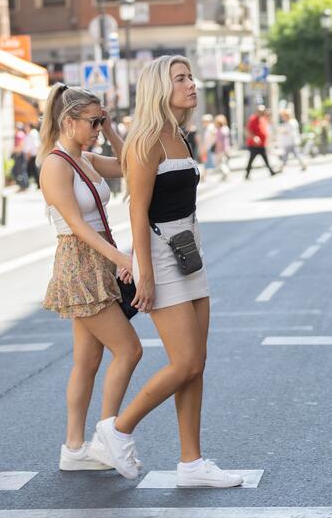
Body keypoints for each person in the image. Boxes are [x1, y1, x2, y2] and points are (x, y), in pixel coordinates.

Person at [96, 55, 243, 488]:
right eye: (181, 78)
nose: (191, 84)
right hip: (160, 258)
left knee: (197, 365)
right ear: (161, 88)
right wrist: (145, 273)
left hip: (189, 253)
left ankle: (191, 463)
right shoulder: (146, 141)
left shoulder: (178, 135)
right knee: (186, 361)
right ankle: (119, 427)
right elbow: (137, 212)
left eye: (190, 76)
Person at [37, 84, 143, 472]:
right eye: (94, 122)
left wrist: (113, 129)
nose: (99, 128)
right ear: (68, 122)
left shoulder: (86, 158)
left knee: (87, 360)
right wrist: (121, 258)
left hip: (99, 257)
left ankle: (75, 448)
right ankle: (107, 437)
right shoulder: (55, 164)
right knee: (129, 350)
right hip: (81, 262)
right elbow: (78, 225)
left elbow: (130, 166)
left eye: (102, 120)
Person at [245, 105, 276, 179]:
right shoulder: (252, 119)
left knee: (265, 158)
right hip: (254, 144)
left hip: (262, 144)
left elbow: (269, 123)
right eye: (260, 111)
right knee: (252, 159)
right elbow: (248, 130)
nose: (262, 113)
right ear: (257, 111)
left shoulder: (263, 118)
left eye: (263, 111)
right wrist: (254, 137)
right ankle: (247, 173)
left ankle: (271, 171)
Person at [213, 114, 232, 180]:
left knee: (220, 163)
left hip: (221, 149)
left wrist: (217, 149)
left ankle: (226, 172)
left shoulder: (218, 130)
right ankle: (224, 175)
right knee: (225, 162)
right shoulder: (226, 128)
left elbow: (219, 141)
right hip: (227, 147)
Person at [24, 122, 41, 189]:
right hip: (34, 154)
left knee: (33, 170)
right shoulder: (34, 132)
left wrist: (28, 154)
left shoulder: (32, 133)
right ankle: (37, 184)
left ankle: (37, 184)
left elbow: (33, 145)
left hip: (32, 154)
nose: (25, 128)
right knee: (34, 170)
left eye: (26, 126)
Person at [13, 122, 28, 190]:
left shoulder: (19, 135)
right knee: (21, 170)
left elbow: (21, 146)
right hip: (22, 153)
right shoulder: (22, 134)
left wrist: (14, 151)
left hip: (20, 154)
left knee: (19, 170)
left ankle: (23, 186)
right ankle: (23, 185)